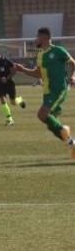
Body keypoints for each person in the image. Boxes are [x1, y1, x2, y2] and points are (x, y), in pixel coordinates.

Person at [14, 27, 75, 157]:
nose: (36, 39)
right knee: (51, 124)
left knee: (42, 115)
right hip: (47, 91)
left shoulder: (58, 51)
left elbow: (73, 63)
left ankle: (70, 138)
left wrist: (73, 76)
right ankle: (72, 143)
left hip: (59, 89)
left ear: (45, 37)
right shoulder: (40, 55)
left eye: (38, 36)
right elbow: (38, 74)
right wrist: (22, 69)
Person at [0, 46, 26, 126]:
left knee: (13, 102)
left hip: (9, 83)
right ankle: (9, 119)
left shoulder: (6, 61)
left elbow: (15, 69)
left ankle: (20, 100)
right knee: (3, 100)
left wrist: (7, 78)